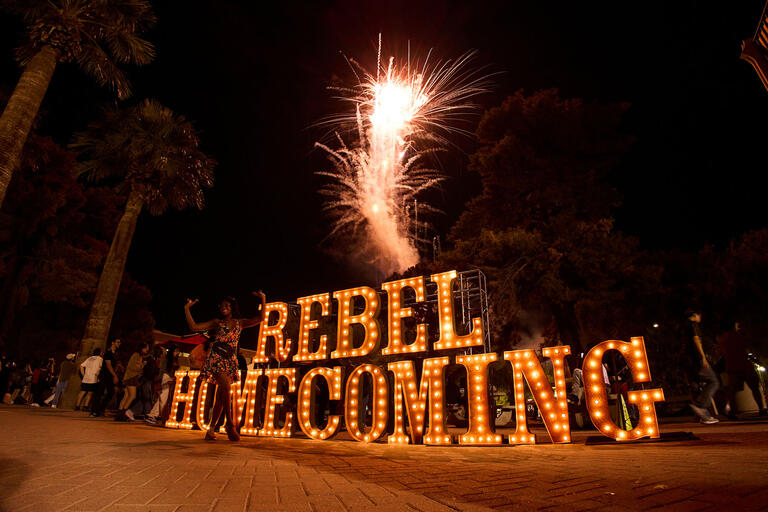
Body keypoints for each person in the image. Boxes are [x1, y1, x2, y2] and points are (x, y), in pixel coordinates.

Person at [185, 291, 266, 441]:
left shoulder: (239, 323)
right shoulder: (217, 322)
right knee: (226, 389)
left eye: (227, 305)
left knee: (222, 395)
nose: (224, 307)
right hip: (216, 358)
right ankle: (230, 424)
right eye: (222, 305)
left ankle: (211, 429)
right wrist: (187, 309)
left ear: (232, 307)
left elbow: (261, 318)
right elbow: (194, 327)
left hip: (230, 360)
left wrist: (263, 299)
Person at [718, 321, 767, 418]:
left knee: (732, 391)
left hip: (732, 367)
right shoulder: (738, 336)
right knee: (754, 388)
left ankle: (732, 411)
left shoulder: (722, 338)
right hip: (744, 365)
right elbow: (746, 347)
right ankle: (762, 408)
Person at [683, 310, 720, 424]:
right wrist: (703, 357)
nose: (701, 318)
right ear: (695, 315)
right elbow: (696, 340)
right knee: (713, 382)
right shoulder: (693, 325)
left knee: (695, 384)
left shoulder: (682, 327)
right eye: (700, 315)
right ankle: (701, 408)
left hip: (688, 360)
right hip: (696, 358)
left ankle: (698, 415)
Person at [146, 344, 180, 425]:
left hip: (170, 378)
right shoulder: (167, 358)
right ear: (172, 351)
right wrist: (160, 380)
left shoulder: (175, 359)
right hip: (165, 377)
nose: (177, 353)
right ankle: (158, 415)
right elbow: (162, 369)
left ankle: (152, 415)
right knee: (163, 398)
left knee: (162, 398)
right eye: (176, 351)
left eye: (178, 351)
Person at [117, 342, 149, 421]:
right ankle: (123, 413)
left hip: (129, 377)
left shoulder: (136, 355)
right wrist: (143, 364)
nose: (147, 350)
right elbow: (135, 367)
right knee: (132, 396)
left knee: (126, 396)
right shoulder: (137, 355)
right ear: (142, 348)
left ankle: (119, 414)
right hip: (132, 378)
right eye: (146, 348)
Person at [91, 339, 121, 417]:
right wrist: (115, 375)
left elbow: (116, 364)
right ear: (113, 342)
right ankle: (94, 411)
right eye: (117, 342)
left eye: (120, 342)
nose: (119, 344)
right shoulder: (108, 352)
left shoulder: (116, 354)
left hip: (110, 376)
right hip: (104, 375)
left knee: (111, 392)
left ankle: (101, 409)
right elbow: (108, 364)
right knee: (99, 393)